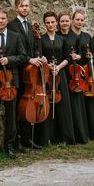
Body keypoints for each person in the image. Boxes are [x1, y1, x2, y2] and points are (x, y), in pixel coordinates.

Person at [0, 9, 27, 160]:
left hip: (11, 83)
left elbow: (23, 56)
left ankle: (9, 146)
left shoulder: (15, 36)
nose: (0, 21)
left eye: (3, 18)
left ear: (7, 20)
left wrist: (9, 60)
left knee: (11, 115)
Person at [7, 0, 41, 150]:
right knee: (16, 108)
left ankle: (27, 139)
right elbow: (14, 50)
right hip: (18, 71)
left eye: (27, 6)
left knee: (28, 105)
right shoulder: (11, 26)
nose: (25, 8)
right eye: (22, 6)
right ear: (16, 8)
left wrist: (38, 58)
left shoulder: (30, 26)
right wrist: (29, 60)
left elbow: (33, 47)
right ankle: (16, 141)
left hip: (30, 73)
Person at [38, 11, 75, 145]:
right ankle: (47, 137)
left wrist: (58, 67)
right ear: (45, 24)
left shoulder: (61, 39)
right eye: (48, 22)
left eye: (53, 22)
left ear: (56, 23)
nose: (50, 25)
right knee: (48, 104)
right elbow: (40, 58)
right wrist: (47, 64)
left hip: (61, 75)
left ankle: (64, 137)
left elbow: (68, 57)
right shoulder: (41, 40)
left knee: (63, 106)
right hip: (47, 76)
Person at [71, 10, 94, 140]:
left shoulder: (87, 36)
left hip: (87, 72)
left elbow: (92, 52)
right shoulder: (70, 35)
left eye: (81, 20)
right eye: (77, 19)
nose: (80, 22)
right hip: (74, 73)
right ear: (73, 20)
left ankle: (92, 131)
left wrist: (90, 55)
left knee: (89, 102)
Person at [57, 12, 89, 144]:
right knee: (64, 106)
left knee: (76, 105)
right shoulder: (57, 36)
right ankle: (63, 135)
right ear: (59, 22)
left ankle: (78, 134)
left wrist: (79, 56)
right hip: (61, 72)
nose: (65, 23)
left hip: (74, 75)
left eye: (66, 21)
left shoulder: (74, 37)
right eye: (62, 21)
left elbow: (81, 53)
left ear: (70, 21)